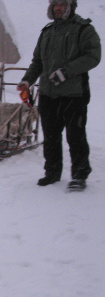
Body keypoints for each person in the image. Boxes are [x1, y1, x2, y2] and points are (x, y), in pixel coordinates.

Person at [18, 0, 101, 191]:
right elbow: (38, 61)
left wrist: (66, 71)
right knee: (51, 137)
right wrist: (27, 80)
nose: (57, 8)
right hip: (48, 94)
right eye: (55, 4)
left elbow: (93, 56)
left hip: (74, 94)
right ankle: (52, 172)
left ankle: (79, 175)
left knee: (75, 136)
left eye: (62, 4)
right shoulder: (47, 32)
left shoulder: (83, 29)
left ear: (71, 6)